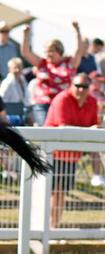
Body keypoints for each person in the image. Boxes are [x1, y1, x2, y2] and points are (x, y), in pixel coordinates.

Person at [44, 73, 99, 227]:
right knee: (52, 191)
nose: (80, 89)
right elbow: (63, 129)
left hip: (72, 155)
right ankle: (49, 228)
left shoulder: (93, 102)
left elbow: (95, 126)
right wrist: (89, 130)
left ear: (89, 88)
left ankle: (53, 226)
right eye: (77, 86)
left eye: (84, 86)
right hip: (52, 153)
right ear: (71, 85)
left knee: (61, 193)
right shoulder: (62, 99)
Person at [22, 21, 83, 126]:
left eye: (51, 51)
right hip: (43, 104)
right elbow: (26, 53)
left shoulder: (69, 63)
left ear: (59, 51)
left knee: (62, 130)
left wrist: (77, 31)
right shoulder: (42, 63)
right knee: (46, 131)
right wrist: (25, 34)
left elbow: (79, 51)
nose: (48, 54)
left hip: (64, 104)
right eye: (46, 51)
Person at [0, 57, 29, 126]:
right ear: (10, 69)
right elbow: (1, 99)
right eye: (15, 68)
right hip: (10, 114)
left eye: (19, 67)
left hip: (21, 111)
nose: (17, 70)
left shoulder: (23, 80)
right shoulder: (7, 82)